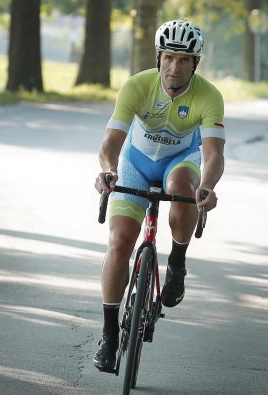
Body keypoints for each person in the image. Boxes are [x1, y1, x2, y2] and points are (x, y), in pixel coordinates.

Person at [92, 19, 226, 373]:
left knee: (183, 187)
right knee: (120, 242)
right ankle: (109, 335)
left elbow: (213, 154)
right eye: (169, 58)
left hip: (179, 164)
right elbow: (111, 143)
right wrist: (108, 170)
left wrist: (208, 186)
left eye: (184, 60)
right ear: (158, 57)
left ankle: (177, 262)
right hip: (136, 162)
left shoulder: (209, 96)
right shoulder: (137, 86)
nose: (174, 67)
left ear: (195, 64)